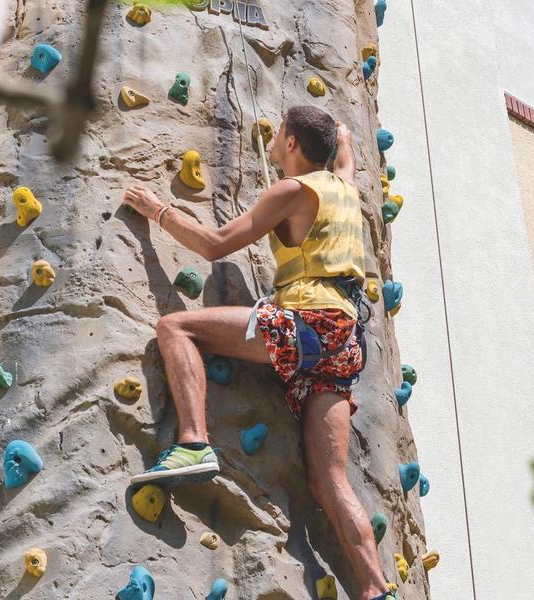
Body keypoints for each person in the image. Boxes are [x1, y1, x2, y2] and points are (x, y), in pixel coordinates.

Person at [121, 105, 394, 600]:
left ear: (290, 143)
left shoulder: (293, 190)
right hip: (344, 342)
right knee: (329, 478)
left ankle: (193, 443)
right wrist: (338, 134)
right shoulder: (345, 189)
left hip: (308, 322)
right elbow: (346, 151)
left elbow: (215, 244)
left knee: (176, 328)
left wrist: (158, 209)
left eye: (280, 133)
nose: (273, 141)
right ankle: (376, 589)